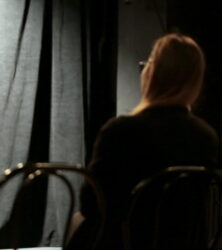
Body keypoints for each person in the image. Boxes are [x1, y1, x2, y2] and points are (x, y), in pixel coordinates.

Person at [68, 33, 219, 250]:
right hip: (180, 243)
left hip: (125, 241)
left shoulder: (120, 130)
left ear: (151, 74)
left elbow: (91, 203)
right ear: (196, 80)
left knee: (79, 222)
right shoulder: (207, 137)